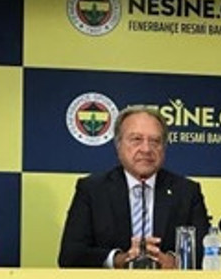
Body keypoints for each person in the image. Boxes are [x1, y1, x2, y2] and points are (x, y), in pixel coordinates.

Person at [58, 106, 210, 269]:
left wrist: (174, 261)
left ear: (164, 147)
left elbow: (205, 251)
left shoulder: (186, 192)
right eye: (136, 139)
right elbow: (70, 255)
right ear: (118, 145)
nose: (146, 149)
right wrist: (118, 259)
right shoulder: (92, 190)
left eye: (155, 141)